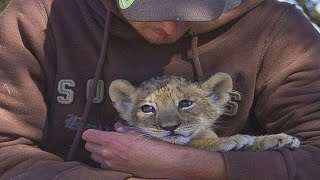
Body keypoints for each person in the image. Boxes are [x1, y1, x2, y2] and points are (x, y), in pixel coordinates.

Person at [0, 0, 319, 179]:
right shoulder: (39, 15)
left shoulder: (278, 30)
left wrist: (194, 167)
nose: (169, 27)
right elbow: (5, 150)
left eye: (191, 5)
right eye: (148, 5)